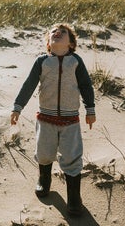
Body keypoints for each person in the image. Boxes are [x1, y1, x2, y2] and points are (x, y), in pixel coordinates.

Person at [10, 24, 95, 217]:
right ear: (48, 42)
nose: (57, 32)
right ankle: (44, 179)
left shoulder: (75, 61)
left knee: (72, 156)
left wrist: (90, 109)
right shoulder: (42, 61)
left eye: (62, 32)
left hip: (70, 120)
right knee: (44, 152)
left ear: (71, 43)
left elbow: (86, 86)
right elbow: (29, 84)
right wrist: (17, 107)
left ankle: (74, 197)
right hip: (45, 119)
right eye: (53, 32)